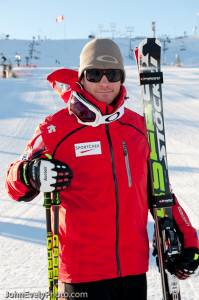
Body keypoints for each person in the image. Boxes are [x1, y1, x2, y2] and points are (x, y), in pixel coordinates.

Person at [6, 38, 199, 300]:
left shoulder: (138, 128)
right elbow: (13, 182)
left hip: (132, 271)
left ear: (122, 78)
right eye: (95, 74)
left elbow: (158, 188)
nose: (105, 82)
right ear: (82, 78)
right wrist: (30, 173)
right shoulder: (55, 129)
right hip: (81, 275)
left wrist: (187, 235)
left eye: (113, 74)